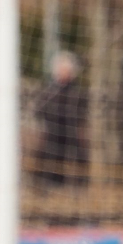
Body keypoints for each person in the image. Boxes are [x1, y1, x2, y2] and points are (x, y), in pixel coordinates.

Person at [32, 51, 88, 186]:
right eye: (61, 69)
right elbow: (39, 109)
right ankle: (48, 183)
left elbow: (81, 113)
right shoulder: (49, 90)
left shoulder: (77, 91)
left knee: (76, 157)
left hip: (71, 134)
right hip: (52, 132)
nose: (64, 72)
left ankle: (77, 185)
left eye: (67, 70)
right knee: (48, 156)